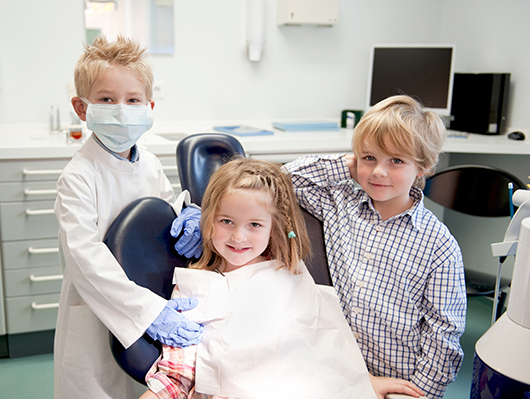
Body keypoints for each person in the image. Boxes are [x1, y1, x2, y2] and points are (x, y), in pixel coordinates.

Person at [143, 158, 424, 399]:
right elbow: (177, 376)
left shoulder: (288, 274)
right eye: (226, 221)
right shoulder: (196, 286)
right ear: (207, 220)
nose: (238, 236)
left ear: (273, 226)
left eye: (254, 225)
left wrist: (363, 382)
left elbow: (324, 347)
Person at [282, 95, 467, 399]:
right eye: (369, 158)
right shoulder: (338, 203)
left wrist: (419, 393)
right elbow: (283, 180)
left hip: (398, 383)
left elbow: (443, 335)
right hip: (333, 368)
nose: (379, 171)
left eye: (396, 160)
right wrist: (348, 165)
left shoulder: (439, 244)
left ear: (422, 167)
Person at [53, 36, 202, 399]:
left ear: (149, 107)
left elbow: (162, 209)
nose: (121, 109)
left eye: (132, 100)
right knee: (97, 387)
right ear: (81, 107)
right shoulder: (78, 176)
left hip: (150, 296)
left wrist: (189, 215)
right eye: (106, 99)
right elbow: (85, 260)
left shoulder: (149, 163)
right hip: (100, 308)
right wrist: (150, 312)